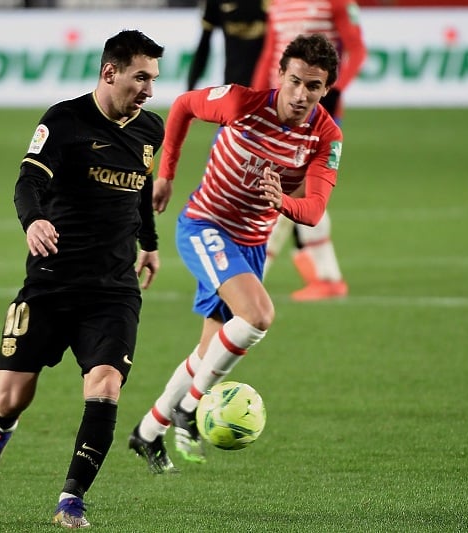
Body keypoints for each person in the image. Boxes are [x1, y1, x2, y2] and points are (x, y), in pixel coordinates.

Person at [0, 30, 165, 528]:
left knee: (105, 385)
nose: (148, 89)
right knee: (11, 395)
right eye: (140, 77)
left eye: (154, 80)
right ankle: (0, 426)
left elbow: (140, 189)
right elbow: (28, 180)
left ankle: (70, 500)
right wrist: (33, 219)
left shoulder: (151, 130)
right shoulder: (65, 120)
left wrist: (150, 242)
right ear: (110, 72)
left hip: (114, 290)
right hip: (52, 282)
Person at [127, 33, 342, 470]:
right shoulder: (242, 103)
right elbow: (185, 105)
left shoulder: (325, 137)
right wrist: (165, 173)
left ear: (326, 90)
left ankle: (147, 432)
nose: (301, 95)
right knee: (258, 315)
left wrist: (283, 202)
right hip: (205, 223)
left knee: (209, 351)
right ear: (280, 75)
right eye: (296, 81)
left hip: (251, 244)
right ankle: (190, 408)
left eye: (314, 87)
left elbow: (315, 210)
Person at [251, 0, 367, 302]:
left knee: (295, 186)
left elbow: (357, 50)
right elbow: (270, 53)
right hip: (278, 108)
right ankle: (325, 277)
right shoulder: (277, 4)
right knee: (292, 187)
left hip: (315, 109)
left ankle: (258, 273)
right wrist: (255, 98)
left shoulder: (336, 2)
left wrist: (335, 91)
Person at [187, 0, 267, 90]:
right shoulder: (217, 3)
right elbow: (203, 47)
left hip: (266, 87)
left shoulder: (275, 3)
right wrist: (190, 87)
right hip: (232, 85)